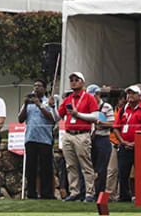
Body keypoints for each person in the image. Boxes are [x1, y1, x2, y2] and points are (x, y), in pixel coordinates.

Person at [57, 71, 99, 202]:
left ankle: (89, 193)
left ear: (83, 82)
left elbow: (96, 116)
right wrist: (53, 105)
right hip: (68, 134)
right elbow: (57, 116)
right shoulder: (68, 99)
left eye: (76, 79)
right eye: (72, 80)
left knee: (85, 164)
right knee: (70, 165)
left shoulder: (89, 98)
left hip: (82, 134)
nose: (73, 82)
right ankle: (74, 192)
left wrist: (78, 114)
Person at [18, 79, 57, 200]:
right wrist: (25, 104)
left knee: (46, 167)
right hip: (31, 138)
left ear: (44, 89)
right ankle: (31, 193)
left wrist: (39, 105)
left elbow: (52, 118)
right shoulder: (28, 103)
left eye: (39, 86)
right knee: (31, 168)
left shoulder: (47, 102)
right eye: (35, 86)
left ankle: (46, 194)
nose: (36, 88)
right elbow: (20, 119)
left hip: (45, 139)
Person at [113, 85, 141, 203]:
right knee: (122, 173)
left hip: (139, 147)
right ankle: (124, 197)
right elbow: (116, 128)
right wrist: (122, 141)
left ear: (139, 96)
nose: (130, 96)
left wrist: (136, 142)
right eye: (128, 93)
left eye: (133, 93)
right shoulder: (123, 109)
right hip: (124, 146)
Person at [87, 84, 113, 198]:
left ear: (98, 95)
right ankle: (89, 192)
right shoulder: (87, 107)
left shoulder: (107, 107)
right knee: (89, 167)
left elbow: (112, 123)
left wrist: (100, 123)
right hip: (90, 139)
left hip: (103, 138)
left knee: (102, 169)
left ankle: (99, 194)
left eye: (92, 96)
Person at [105, 91, 126, 202]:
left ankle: (118, 195)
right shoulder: (112, 112)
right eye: (124, 100)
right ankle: (109, 194)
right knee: (111, 171)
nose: (125, 102)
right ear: (119, 100)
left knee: (121, 172)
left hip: (124, 144)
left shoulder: (128, 112)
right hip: (113, 143)